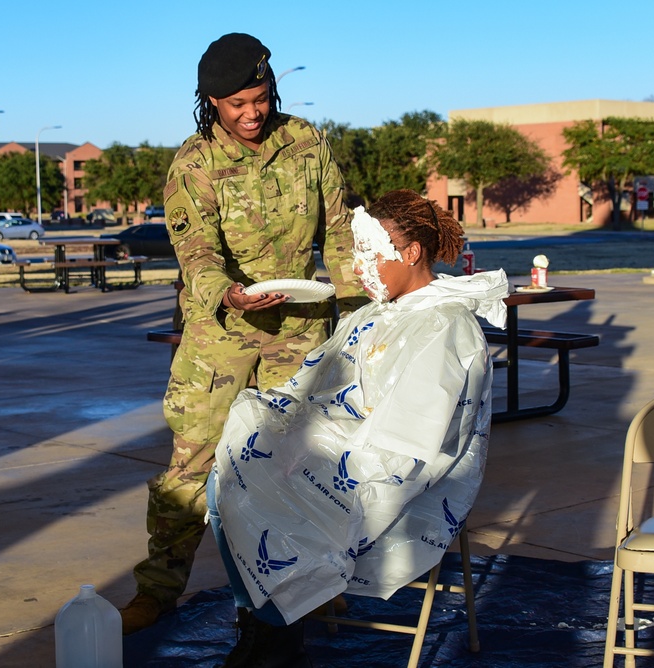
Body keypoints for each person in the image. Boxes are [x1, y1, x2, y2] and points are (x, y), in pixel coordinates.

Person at [120, 32, 365, 635]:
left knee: (296, 462)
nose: (251, 113)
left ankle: (302, 583)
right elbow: (196, 254)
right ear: (210, 103)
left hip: (300, 326)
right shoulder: (193, 163)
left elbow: (339, 232)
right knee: (193, 464)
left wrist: (358, 314)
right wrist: (227, 293)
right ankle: (157, 590)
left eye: (259, 98)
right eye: (236, 105)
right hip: (221, 332)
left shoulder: (306, 141)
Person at [207, 189, 508, 665]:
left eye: (369, 254)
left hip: (397, 475)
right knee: (233, 464)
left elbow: (413, 442)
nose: (359, 267)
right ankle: (266, 626)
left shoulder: (445, 327)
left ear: (410, 254)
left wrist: (309, 456)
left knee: (260, 490)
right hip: (338, 452)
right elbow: (311, 386)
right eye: (356, 254)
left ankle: (275, 633)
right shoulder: (373, 315)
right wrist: (283, 432)